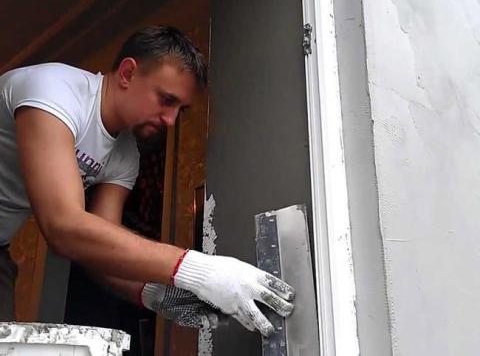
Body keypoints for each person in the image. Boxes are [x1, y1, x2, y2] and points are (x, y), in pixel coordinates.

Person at [0, 26, 294, 336]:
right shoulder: (53, 90)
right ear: (127, 73)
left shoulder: (126, 155)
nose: (171, 120)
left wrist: (152, 292)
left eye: (180, 109)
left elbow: (99, 249)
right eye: (166, 100)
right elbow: (64, 226)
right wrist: (199, 270)